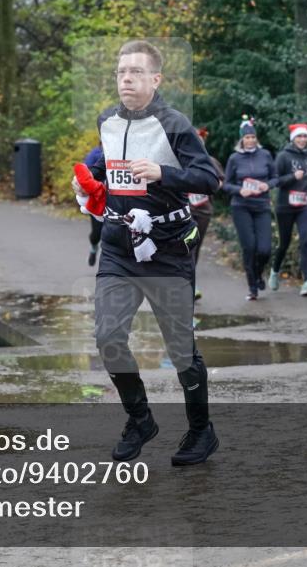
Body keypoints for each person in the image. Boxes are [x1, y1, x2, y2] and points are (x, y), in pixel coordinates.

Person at [74, 39, 220, 466]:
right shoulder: (107, 119)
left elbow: (208, 179)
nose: (126, 79)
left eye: (136, 72)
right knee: (108, 338)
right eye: (121, 72)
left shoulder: (174, 124)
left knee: (179, 350)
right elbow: (107, 166)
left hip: (168, 249)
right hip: (119, 248)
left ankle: (200, 431)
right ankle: (140, 419)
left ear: (155, 79)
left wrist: (164, 173)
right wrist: (87, 183)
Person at [223, 115, 278, 300]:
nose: (250, 140)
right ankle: (252, 287)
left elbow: (275, 177)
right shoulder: (234, 158)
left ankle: (258, 272)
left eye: (253, 137)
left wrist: (267, 186)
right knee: (249, 247)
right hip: (241, 207)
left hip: (261, 205)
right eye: (247, 137)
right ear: (242, 139)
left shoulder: (265, 155)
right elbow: (226, 185)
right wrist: (240, 190)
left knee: (264, 249)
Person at [270, 123, 307, 296]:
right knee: (284, 243)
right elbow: (275, 181)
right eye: (299, 136)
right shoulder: (283, 156)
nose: (302, 139)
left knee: (306, 241)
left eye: (305, 136)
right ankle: (275, 270)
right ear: (293, 139)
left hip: (305, 204)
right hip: (285, 206)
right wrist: (293, 176)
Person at [188, 127, 224, 300]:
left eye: (199, 139)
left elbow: (220, 182)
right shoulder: (179, 160)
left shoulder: (210, 161)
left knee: (196, 247)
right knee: (188, 247)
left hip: (203, 211)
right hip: (183, 213)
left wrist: (210, 185)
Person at [83, 143, 105, 266]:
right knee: (96, 233)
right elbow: (86, 175)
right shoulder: (95, 154)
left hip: (117, 200)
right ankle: (93, 249)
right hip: (98, 200)